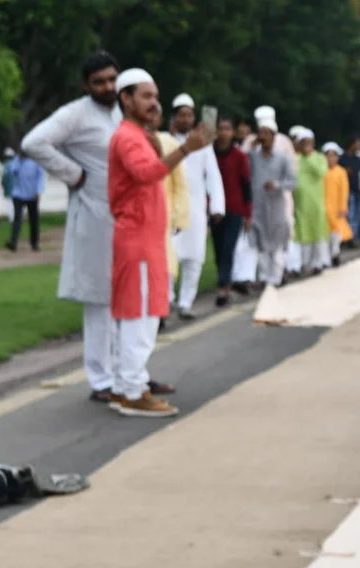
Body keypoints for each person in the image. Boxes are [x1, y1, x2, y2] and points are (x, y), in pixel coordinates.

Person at [22, 51, 174, 403]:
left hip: (131, 218)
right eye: (98, 82)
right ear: (85, 85)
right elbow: (33, 142)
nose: (106, 86)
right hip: (94, 216)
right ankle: (102, 379)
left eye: (111, 79)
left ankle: (131, 375)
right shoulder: (76, 114)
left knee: (131, 299)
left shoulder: (126, 115)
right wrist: (74, 175)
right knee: (100, 301)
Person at [107, 68, 210, 416]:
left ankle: (124, 387)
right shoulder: (127, 138)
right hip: (138, 239)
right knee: (141, 315)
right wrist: (186, 149)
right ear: (126, 98)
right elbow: (146, 174)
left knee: (139, 314)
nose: (155, 103)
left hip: (145, 238)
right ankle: (134, 391)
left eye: (156, 97)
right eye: (146, 96)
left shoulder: (138, 135)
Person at [166, 93, 226, 320]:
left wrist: (217, 207)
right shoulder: (165, 140)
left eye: (189, 115)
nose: (185, 119)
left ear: (194, 118)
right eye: (180, 115)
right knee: (169, 259)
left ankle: (186, 303)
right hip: (171, 209)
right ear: (174, 117)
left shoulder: (203, 144)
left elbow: (213, 176)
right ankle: (166, 302)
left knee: (194, 258)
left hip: (196, 210)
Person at [149, 104, 189, 332]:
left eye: (156, 114)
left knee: (164, 266)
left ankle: (160, 310)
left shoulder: (169, 144)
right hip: (136, 218)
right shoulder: (126, 140)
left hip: (163, 215)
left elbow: (180, 184)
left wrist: (179, 215)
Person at [248, 119, 297, 287]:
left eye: (266, 133)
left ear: (274, 136)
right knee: (260, 244)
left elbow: (292, 182)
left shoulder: (282, 158)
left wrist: (276, 185)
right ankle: (263, 277)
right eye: (260, 133)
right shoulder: (253, 156)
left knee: (277, 245)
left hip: (276, 207)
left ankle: (275, 278)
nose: (263, 137)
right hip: (258, 207)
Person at [212, 116, 252, 306]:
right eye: (220, 128)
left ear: (233, 133)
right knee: (218, 248)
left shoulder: (239, 156)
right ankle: (223, 279)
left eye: (227, 129)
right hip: (214, 208)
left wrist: (248, 212)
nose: (223, 133)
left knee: (228, 247)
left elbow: (246, 185)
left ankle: (223, 286)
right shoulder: (209, 153)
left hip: (235, 208)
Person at [289, 128, 330, 274]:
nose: (306, 145)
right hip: (300, 203)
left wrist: (310, 155)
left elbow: (321, 172)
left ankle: (317, 263)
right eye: (303, 143)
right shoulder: (295, 158)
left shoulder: (318, 157)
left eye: (308, 142)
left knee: (317, 233)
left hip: (316, 203)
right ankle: (301, 264)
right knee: (302, 235)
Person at [4, 148, 45, 252]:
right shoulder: (17, 160)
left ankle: (34, 243)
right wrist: (19, 160)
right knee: (17, 218)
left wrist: (38, 190)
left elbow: (41, 176)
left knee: (34, 219)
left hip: (32, 195)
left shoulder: (37, 161)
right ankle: (13, 242)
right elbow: (13, 171)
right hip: (18, 194)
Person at [321, 141, 352, 265]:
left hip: (336, 208)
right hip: (323, 207)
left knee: (336, 235)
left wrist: (343, 207)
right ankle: (324, 259)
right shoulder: (321, 171)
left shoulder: (341, 172)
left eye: (334, 156)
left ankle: (335, 254)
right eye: (329, 155)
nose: (331, 159)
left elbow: (344, 191)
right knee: (323, 236)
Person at [338, 138, 360, 241]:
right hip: (347, 191)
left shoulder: (357, 159)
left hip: (357, 190)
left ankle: (355, 237)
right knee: (351, 215)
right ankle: (350, 238)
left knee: (358, 215)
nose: (359, 146)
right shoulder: (343, 159)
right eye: (357, 144)